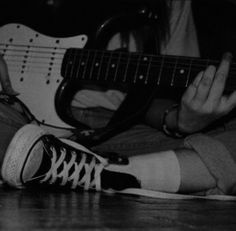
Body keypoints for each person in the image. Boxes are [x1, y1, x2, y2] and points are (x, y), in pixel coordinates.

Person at [1, 0, 236, 199]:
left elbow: (147, 100)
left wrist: (180, 120)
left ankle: (106, 174)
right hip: (15, 111)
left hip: (113, 126)